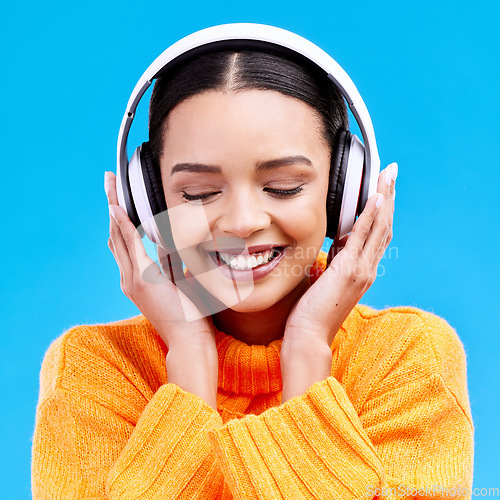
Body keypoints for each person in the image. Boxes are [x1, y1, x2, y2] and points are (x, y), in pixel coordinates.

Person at [31, 26, 474, 500]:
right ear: (149, 200)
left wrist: (306, 355)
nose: (242, 222)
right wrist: (188, 360)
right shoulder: (95, 369)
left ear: (343, 192)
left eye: (283, 187)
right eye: (199, 193)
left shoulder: (407, 359)